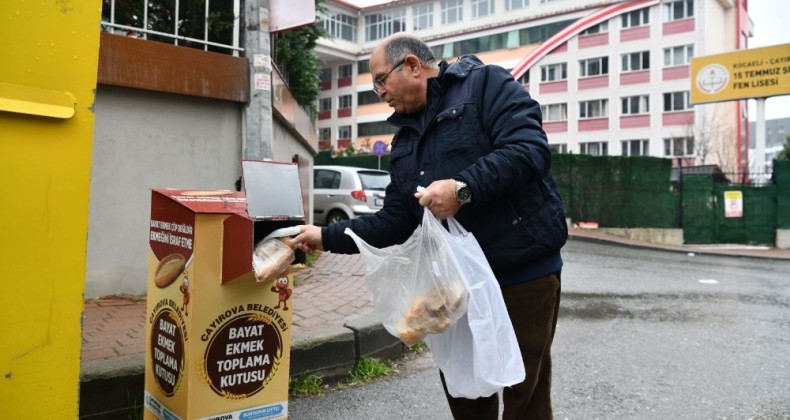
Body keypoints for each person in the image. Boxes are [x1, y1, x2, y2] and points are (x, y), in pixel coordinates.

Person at [293, 32, 567, 419]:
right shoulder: (405, 140)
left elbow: (529, 150)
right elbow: (396, 220)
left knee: (525, 394)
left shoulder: (487, 85)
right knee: (465, 392)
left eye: (380, 79)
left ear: (412, 65)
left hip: (521, 272)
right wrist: (324, 236)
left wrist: (463, 189)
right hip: (454, 288)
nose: (379, 92)